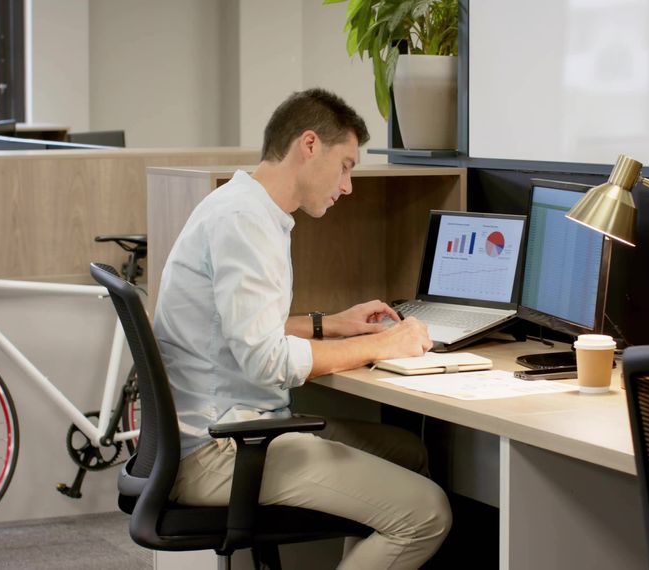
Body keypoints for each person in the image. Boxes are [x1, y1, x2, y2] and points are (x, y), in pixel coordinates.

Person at [155, 87, 452, 569]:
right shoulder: (244, 222)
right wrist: (384, 342)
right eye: (346, 166)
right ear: (309, 145)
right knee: (428, 513)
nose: (348, 185)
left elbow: (233, 327)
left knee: (407, 450)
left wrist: (332, 325)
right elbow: (266, 359)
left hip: (228, 430)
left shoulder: (243, 207)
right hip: (220, 451)